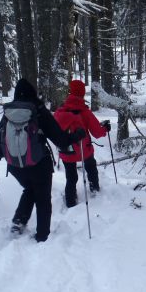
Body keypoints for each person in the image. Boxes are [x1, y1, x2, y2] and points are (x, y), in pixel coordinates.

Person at [0, 78, 85, 242]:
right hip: (39, 164)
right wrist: (76, 136)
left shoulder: (9, 112)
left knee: (29, 189)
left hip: (15, 166)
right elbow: (60, 140)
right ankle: (42, 237)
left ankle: (18, 222)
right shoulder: (38, 110)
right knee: (42, 197)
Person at [54, 80, 111, 208]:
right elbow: (97, 132)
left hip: (66, 150)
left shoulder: (60, 111)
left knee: (71, 177)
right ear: (82, 94)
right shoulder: (85, 112)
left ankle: (70, 201)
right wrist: (105, 129)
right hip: (83, 150)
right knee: (91, 168)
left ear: (70, 92)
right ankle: (95, 190)